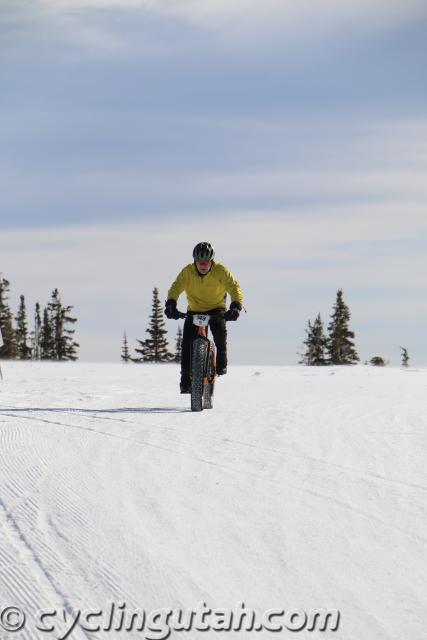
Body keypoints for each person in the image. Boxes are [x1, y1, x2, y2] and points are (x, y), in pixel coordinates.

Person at [165, 242, 243, 393]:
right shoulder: (187, 272)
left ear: (211, 261)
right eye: (200, 262)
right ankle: (185, 381)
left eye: (206, 263)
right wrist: (171, 303)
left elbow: (234, 287)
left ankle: (221, 362)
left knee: (220, 335)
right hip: (194, 310)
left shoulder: (221, 271)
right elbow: (176, 287)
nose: (203, 266)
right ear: (195, 261)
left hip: (216, 309)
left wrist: (235, 306)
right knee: (187, 344)